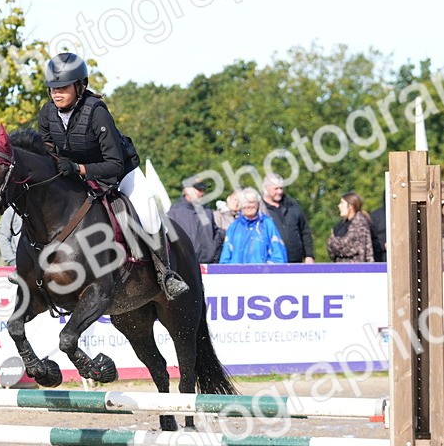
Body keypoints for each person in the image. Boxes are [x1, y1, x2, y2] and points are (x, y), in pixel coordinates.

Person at [37, 52, 188, 299]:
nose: (56, 93)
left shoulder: (96, 112)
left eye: (62, 87)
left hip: (119, 172)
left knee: (147, 208)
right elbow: (48, 152)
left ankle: (165, 274)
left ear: (79, 86)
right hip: (77, 176)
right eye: (52, 88)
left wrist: (79, 169)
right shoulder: (47, 114)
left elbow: (114, 164)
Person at [219, 188, 288, 264]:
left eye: (251, 202)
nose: (248, 205)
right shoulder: (234, 226)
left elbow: (278, 256)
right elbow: (225, 258)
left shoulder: (267, 224)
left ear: (258, 204)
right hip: (237, 274)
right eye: (245, 202)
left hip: (262, 274)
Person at [167, 178, 223, 264]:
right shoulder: (174, 213)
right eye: (199, 189)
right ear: (187, 190)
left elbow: (216, 234)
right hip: (185, 266)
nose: (202, 193)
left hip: (208, 265)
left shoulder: (207, 211)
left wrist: (213, 252)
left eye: (203, 190)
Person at [261, 173, 314, 263]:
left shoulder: (292, 205)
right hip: (270, 261)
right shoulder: (259, 209)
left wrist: (309, 255)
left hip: (295, 260)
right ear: (266, 188)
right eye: (276, 188)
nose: (280, 192)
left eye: (281, 188)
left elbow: (305, 231)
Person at [326, 192, 374, 263]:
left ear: (351, 206)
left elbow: (348, 246)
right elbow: (331, 250)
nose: (339, 206)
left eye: (342, 203)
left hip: (356, 269)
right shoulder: (340, 225)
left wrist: (332, 242)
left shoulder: (360, 223)